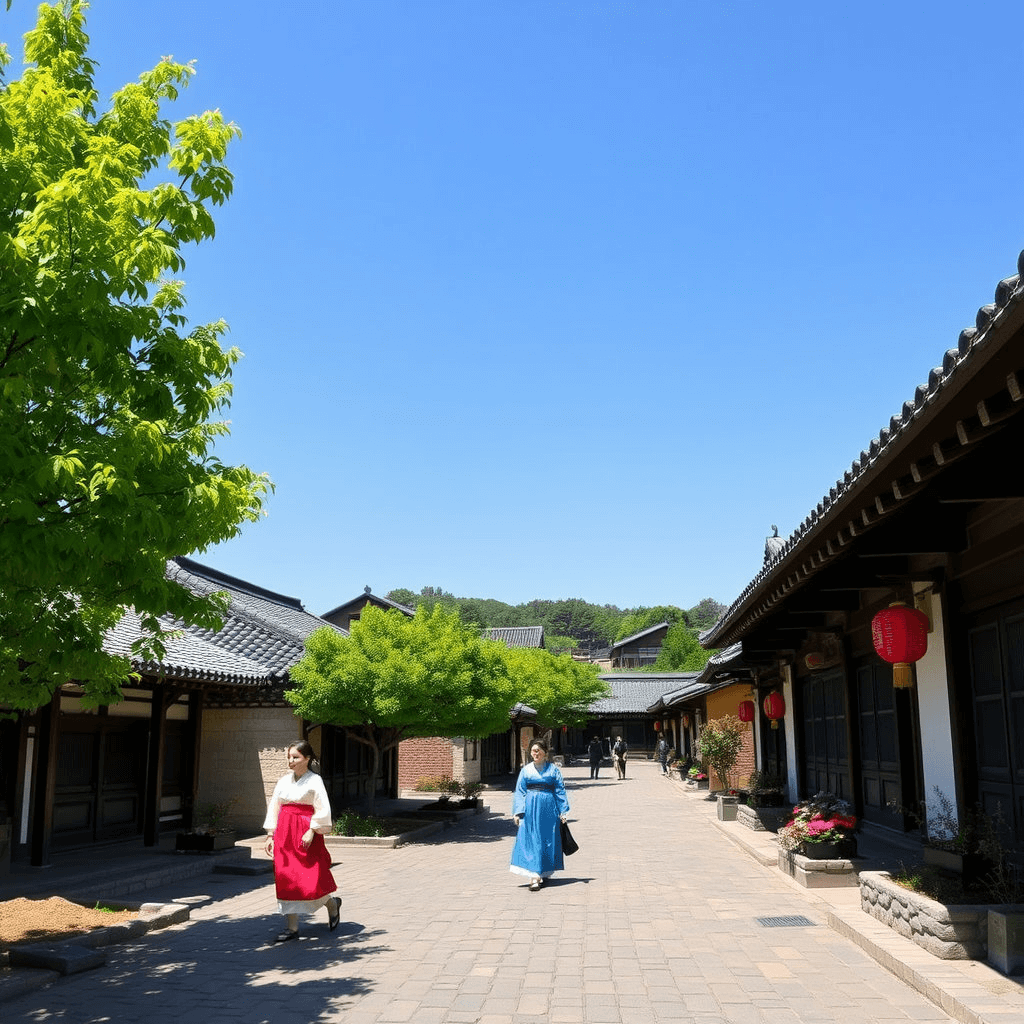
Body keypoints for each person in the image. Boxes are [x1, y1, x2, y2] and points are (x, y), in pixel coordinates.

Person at [263, 739, 341, 942]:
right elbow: (275, 806)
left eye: (295, 757)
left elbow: (322, 808)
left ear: (307, 758)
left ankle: (332, 905)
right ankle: (292, 928)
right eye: (289, 757)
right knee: (285, 876)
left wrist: (312, 831)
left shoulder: (315, 781)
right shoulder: (283, 781)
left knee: (309, 878)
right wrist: (271, 834)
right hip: (284, 832)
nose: (291, 761)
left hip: (306, 832)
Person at [510, 738, 570, 891]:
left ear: (545, 752)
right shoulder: (526, 770)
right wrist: (518, 812)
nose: (535, 753)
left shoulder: (553, 770)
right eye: (533, 750)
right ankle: (535, 875)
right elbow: (520, 792)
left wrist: (563, 811)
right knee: (532, 839)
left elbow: (559, 790)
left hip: (549, 810)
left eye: (538, 750)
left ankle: (543, 870)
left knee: (546, 839)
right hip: (530, 810)